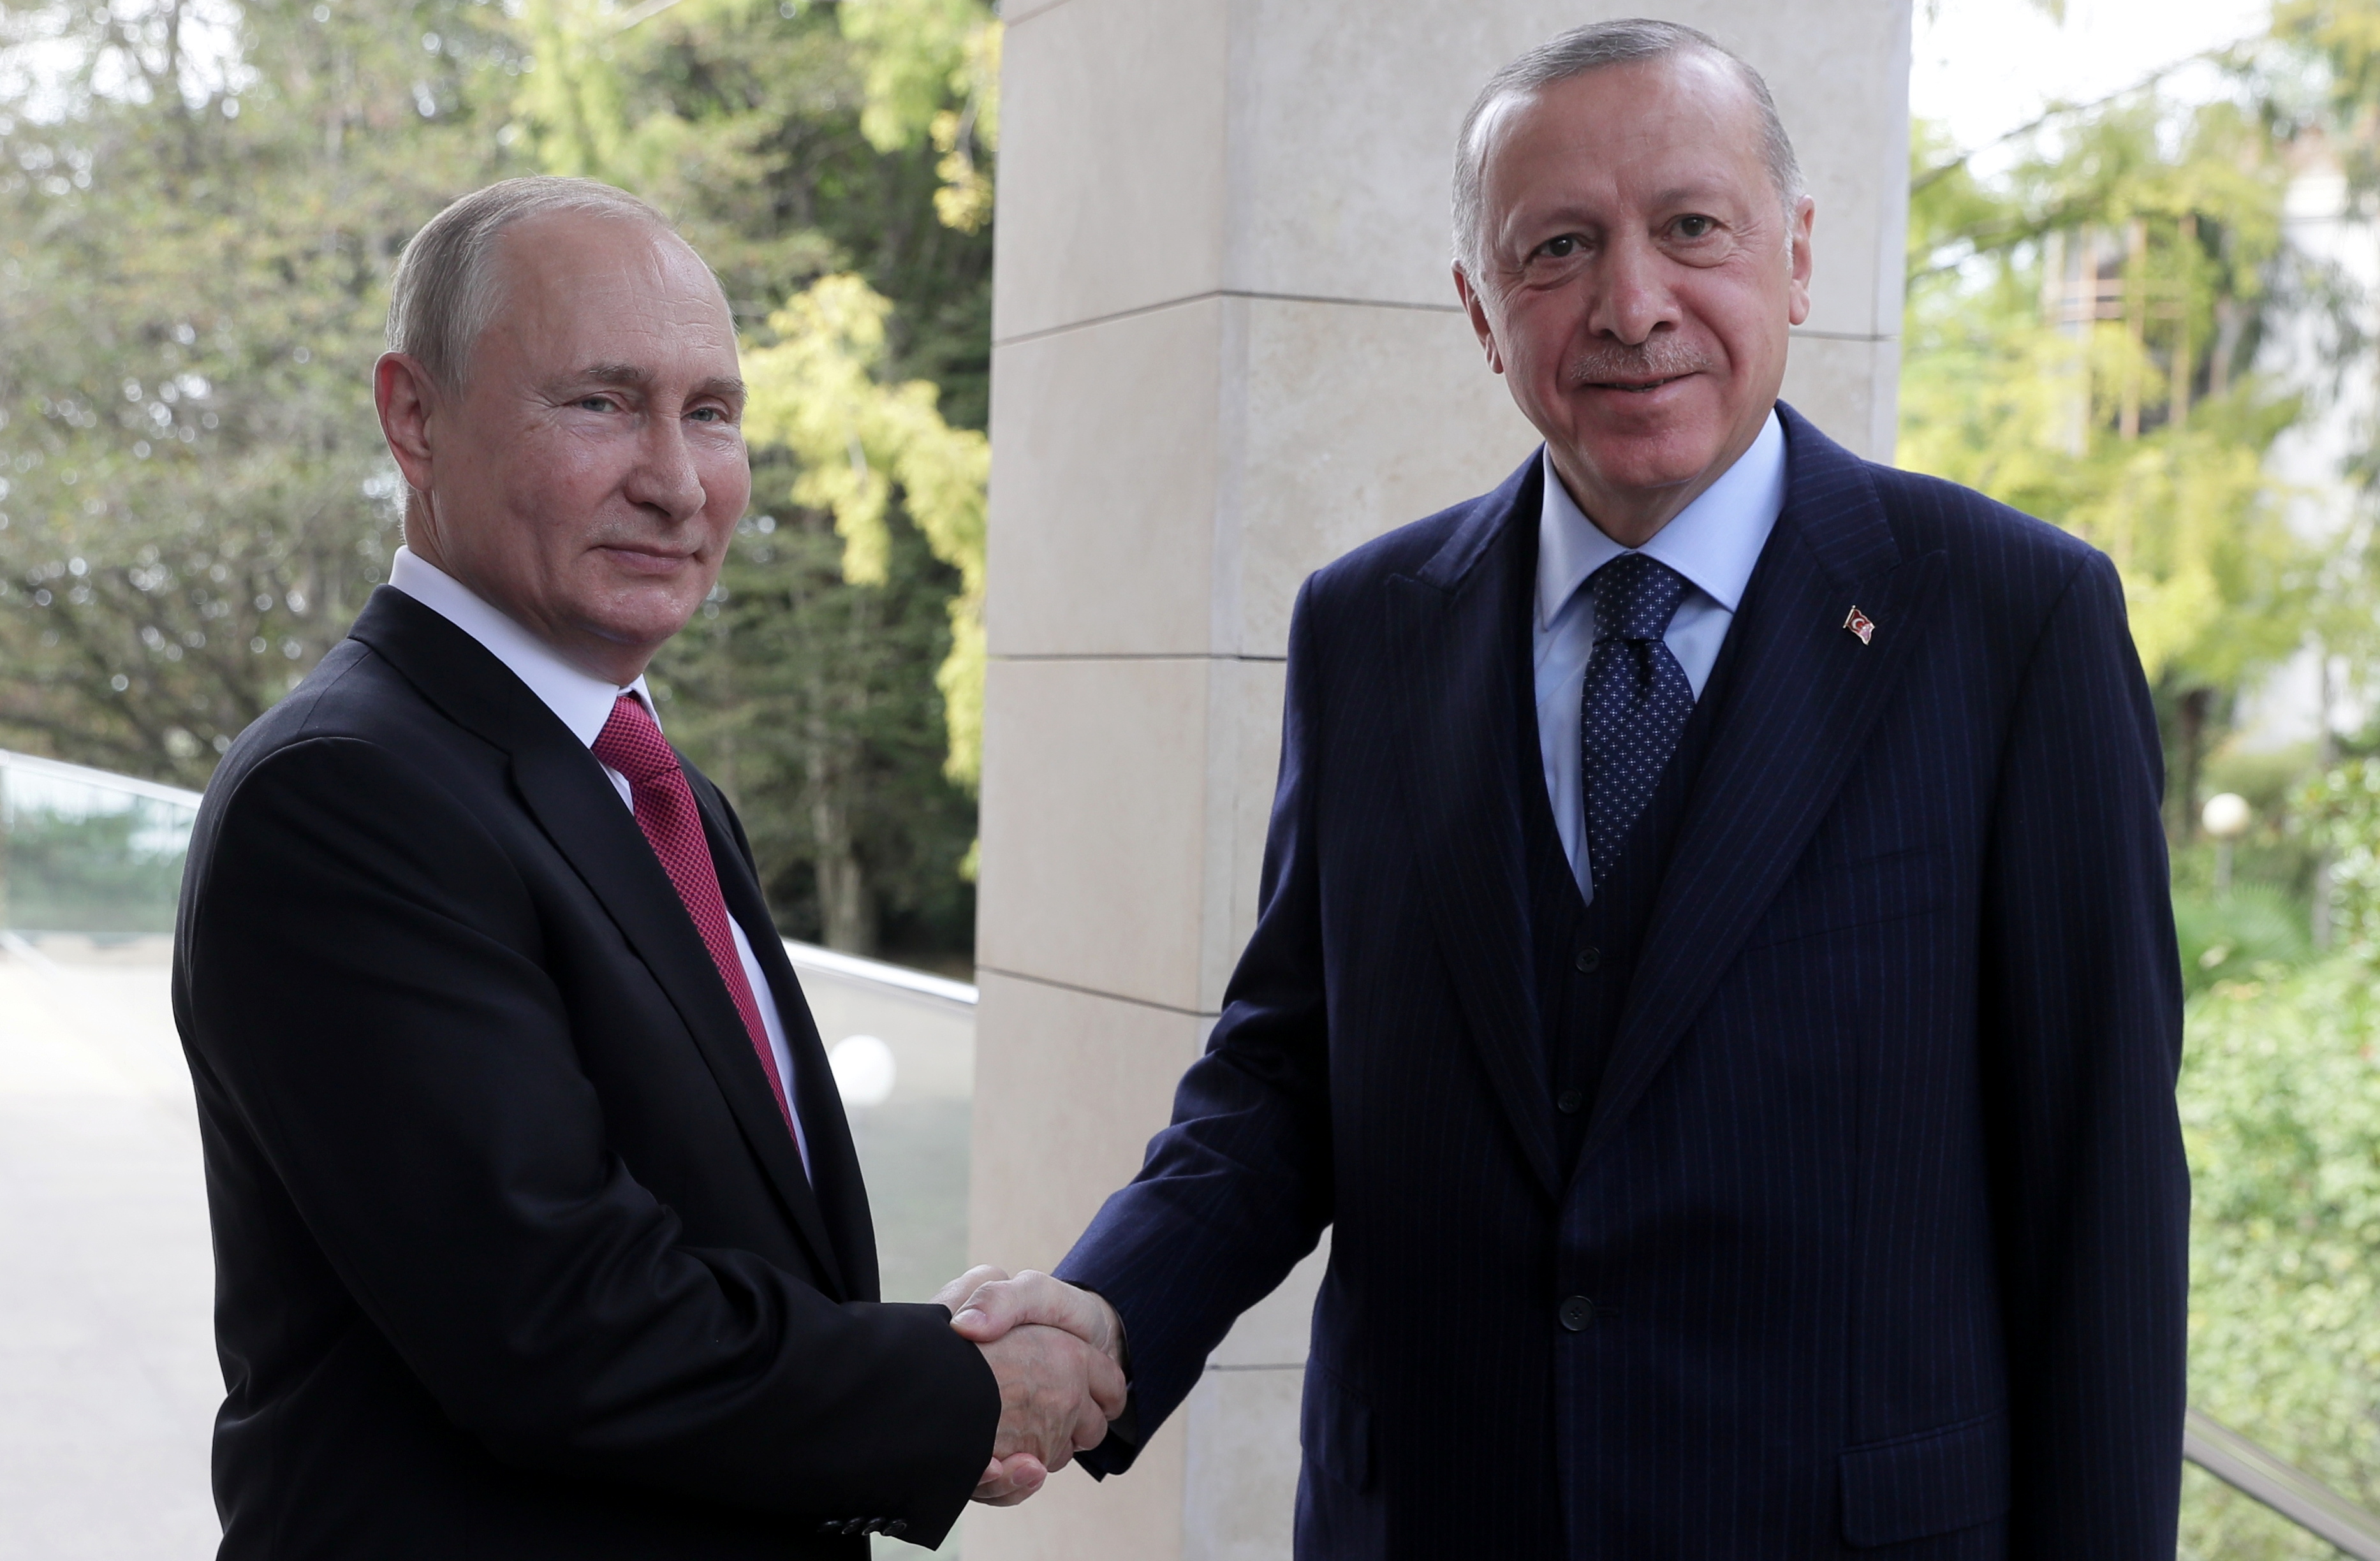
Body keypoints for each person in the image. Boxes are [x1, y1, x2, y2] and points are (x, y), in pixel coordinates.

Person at [950, 19, 2188, 1558]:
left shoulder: (2015, 622)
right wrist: (1101, 1320)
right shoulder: (1368, 627)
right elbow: (1287, 1079)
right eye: (1558, 250)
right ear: (1481, 309)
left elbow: (2104, 1199)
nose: (1632, 303)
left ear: (1796, 259)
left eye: (1691, 229)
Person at [172, 175, 1120, 1559]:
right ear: (413, 417)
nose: (677, 482)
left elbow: (716, 1241)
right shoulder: (346, 793)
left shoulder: (638, 777)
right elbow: (561, 1324)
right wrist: (958, 1387)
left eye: (712, 413)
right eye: (602, 403)